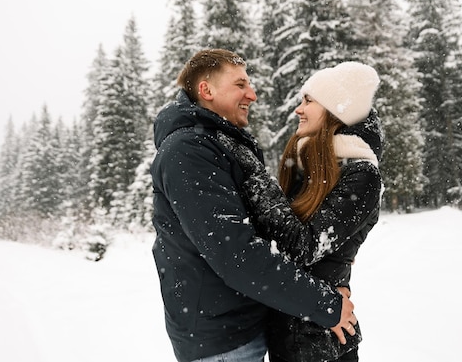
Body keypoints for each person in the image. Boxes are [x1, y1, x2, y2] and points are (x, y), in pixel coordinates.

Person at [150, 48, 358, 362]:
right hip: (221, 344)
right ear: (206, 90)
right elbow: (237, 254)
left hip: (239, 330)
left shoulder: (217, 142)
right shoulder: (189, 151)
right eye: (240, 85)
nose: (253, 94)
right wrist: (325, 305)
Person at [220, 61, 383, 362]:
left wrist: (255, 177)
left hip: (321, 344)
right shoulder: (312, 165)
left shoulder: (362, 174)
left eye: (308, 100)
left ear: (336, 110)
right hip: (289, 335)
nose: (298, 109)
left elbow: (305, 247)